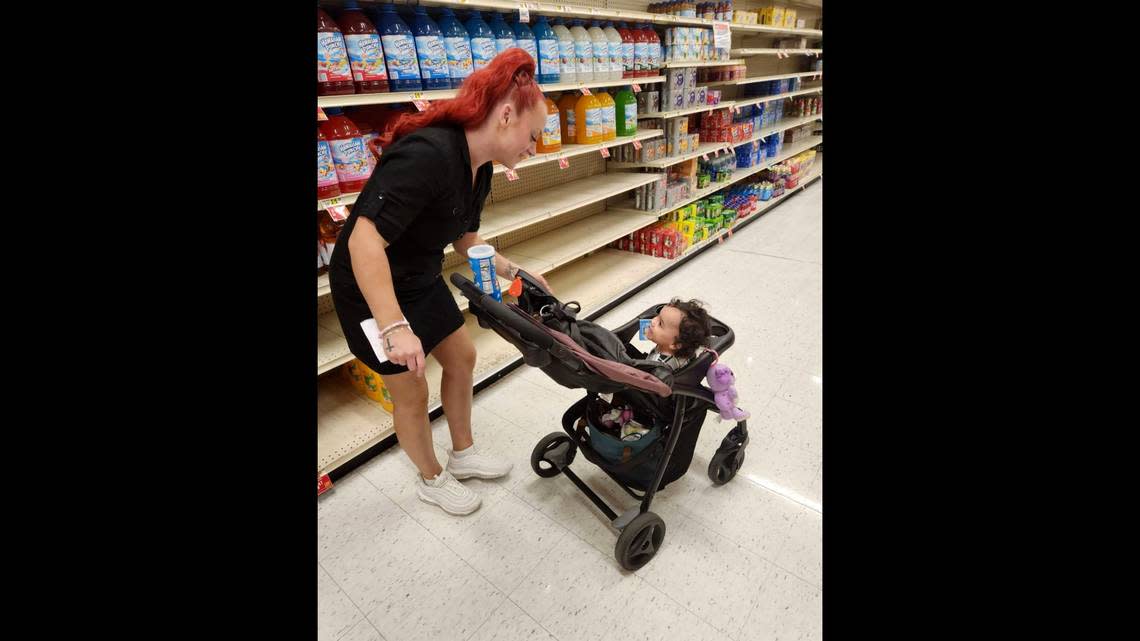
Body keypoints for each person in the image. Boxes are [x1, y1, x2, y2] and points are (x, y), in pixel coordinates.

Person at [328, 49, 553, 516]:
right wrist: (393, 327)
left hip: (417, 274)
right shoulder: (429, 153)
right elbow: (364, 242)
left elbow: (466, 239)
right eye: (533, 136)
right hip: (371, 286)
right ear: (506, 115)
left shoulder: (480, 165)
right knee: (411, 388)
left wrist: (515, 271)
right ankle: (431, 477)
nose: (535, 148)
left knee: (462, 355)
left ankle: (464, 453)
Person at [641, 299, 712, 370]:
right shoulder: (689, 347)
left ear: (675, 344)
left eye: (660, 324)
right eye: (658, 316)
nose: (653, 321)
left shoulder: (656, 366)